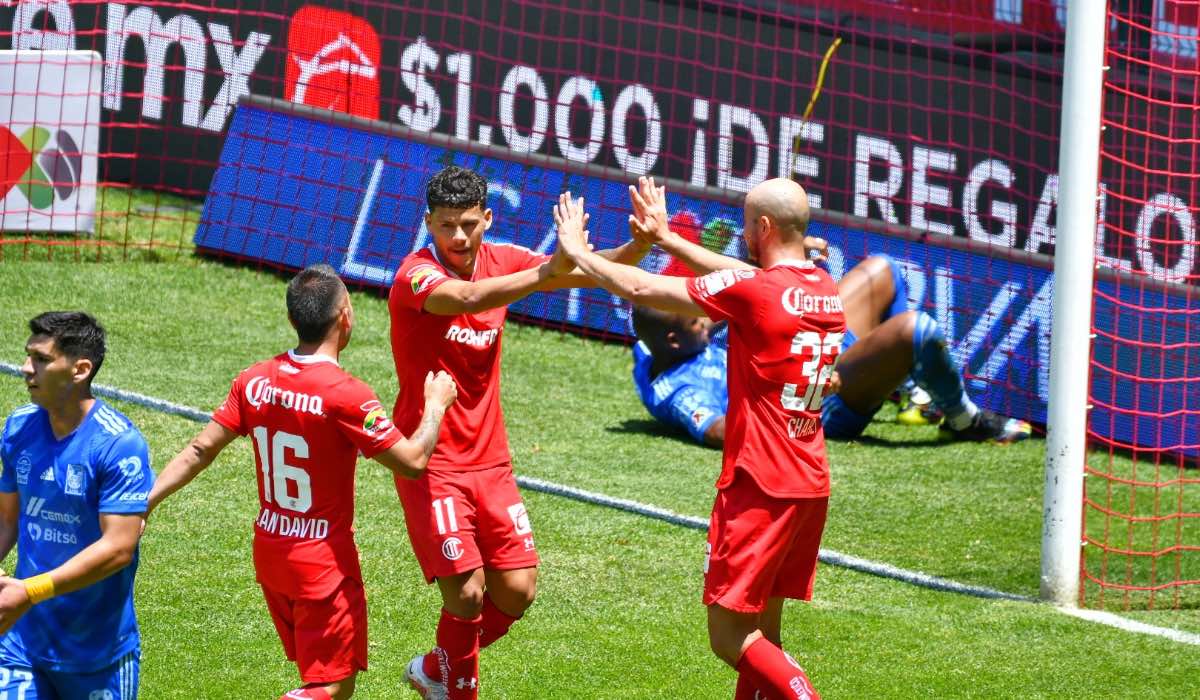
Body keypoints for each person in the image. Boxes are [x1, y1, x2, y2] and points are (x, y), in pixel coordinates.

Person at [554, 177, 840, 698]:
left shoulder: (755, 292)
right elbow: (746, 275)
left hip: (760, 483)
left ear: (763, 227)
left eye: (748, 224)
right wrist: (665, 238)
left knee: (730, 637)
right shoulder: (823, 286)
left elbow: (641, 289)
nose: (744, 234)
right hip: (809, 479)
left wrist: (578, 253)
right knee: (765, 634)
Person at [390, 165, 652, 700]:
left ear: (487, 219)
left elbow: (590, 272)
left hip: (491, 462)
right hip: (432, 459)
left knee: (516, 590)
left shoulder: (503, 259)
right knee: (467, 593)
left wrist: (641, 244)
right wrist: (548, 271)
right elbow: (469, 299)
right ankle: (457, 691)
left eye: (468, 224)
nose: (458, 237)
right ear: (428, 223)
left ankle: (434, 670)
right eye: (445, 225)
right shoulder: (415, 276)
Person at [147, 264, 458, 700]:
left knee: (324, 679)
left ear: (293, 318)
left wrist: (146, 503)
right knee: (332, 685)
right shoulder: (346, 394)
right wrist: (435, 406)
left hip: (271, 553)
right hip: (322, 564)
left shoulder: (254, 380)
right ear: (346, 316)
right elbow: (412, 461)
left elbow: (199, 450)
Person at [631, 251, 1032, 447]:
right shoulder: (679, 391)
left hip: (807, 353)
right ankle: (964, 420)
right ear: (673, 340)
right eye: (697, 322)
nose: (707, 321)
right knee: (916, 330)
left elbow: (726, 305)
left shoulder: (652, 347)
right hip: (817, 403)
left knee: (883, 271)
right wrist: (789, 394)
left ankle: (918, 398)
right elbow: (718, 431)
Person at [0, 311, 154, 698]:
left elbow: (118, 548)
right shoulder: (19, 427)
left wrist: (29, 591)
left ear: (80, 370)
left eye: (41, 359)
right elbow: (6, 520)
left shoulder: (118, 444)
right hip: (21, 645)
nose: (26, 368)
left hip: (97, 655)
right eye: (28, 356)